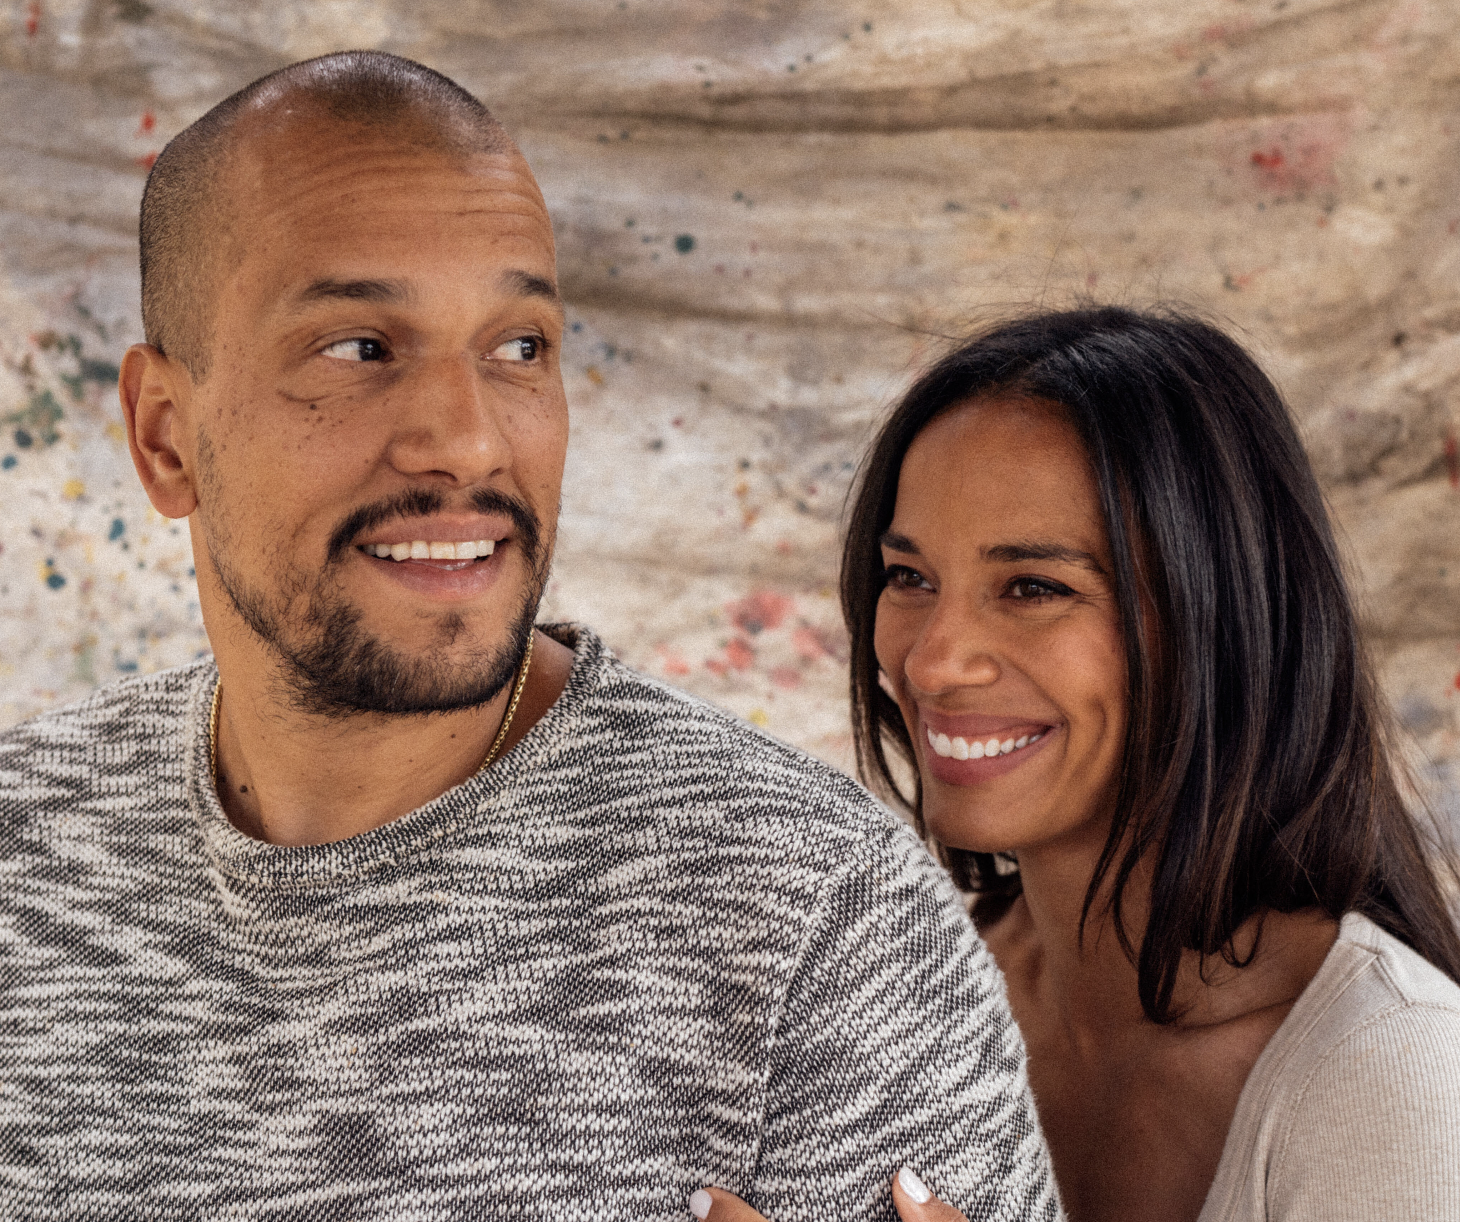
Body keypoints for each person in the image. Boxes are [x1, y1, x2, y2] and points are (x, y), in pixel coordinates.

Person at [0, 53, 1060, 1220]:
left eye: (518, 349)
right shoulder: (23, 852)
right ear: (164, 439)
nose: (465, 440)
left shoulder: (813, 924)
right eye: (358, 347)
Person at [694, 307, 1460, 1222]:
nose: (933, 662)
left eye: (1033, 588)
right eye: (910, 578)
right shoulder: (889, 992)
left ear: (1215, 618)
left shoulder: (1397, 1083)